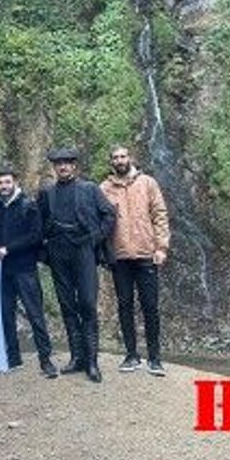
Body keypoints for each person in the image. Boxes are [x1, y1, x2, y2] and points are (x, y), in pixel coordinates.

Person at [38, 147, 116, 382]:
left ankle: (92, 362)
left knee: (88, 304)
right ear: (54, 167)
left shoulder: (89, 189)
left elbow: (110, 215)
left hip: (83, 248)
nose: (63, 167)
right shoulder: (47, 193)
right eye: (58, 164)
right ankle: (76, 358)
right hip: (58, 250)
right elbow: (39, 224)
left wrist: (95, 238)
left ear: (74, 166)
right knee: (67, 305)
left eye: (67, 163)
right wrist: (46, 250)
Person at [0, 168, 58, 379]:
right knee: (6, 314)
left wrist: (9, 249)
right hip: (2, 271)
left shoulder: (28, 205)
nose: (3, 186)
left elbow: (36, 236)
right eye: (0, 183)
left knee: (35, 314)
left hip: (25, 269)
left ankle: (46, 360)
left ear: (15, 182)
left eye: (6, 182)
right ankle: (14, 358)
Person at [100, 146, 171, 377]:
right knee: (124, 305)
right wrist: (103, 252)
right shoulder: (104, 188)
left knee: (150, 307)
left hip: (145, 254)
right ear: (111, 161)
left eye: (123, 156)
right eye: (115, 157)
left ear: (130, 158)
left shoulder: (147, 183)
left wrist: (161, 247)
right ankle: (131, 355)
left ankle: (155, 357)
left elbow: (159, 214)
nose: (119, 160)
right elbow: (99, 221)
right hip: (120, 257)